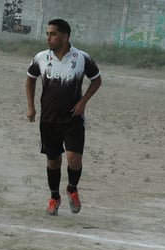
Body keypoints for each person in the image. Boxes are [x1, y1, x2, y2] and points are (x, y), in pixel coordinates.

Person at [26, 19, 102, 215]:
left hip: (73, 119)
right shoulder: (41, 58)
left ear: (65, 36)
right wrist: (31, 106)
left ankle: (71, 189)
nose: (48, 38)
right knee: (53, 161)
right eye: (47, 34)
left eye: (52, 34)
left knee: (74, 159)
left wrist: (83, 102)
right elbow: (30, 78)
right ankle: (54, 197)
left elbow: (97, 80)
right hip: (49, 119)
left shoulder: (82, 58)